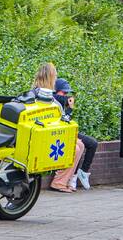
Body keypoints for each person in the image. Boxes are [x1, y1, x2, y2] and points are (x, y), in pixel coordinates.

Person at [27, 62, 85, 194]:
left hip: (48, 131)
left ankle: (64, 180)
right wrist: (69, 110)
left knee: (80, 145)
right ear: (51, 77)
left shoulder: (36, 93)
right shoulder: (47, 97)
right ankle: (59, 182)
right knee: (75, 148)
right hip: (43, 134)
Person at [53, 78, 99, 190]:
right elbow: (65, 120)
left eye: (67, 93)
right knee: (79, 146)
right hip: (60, 132)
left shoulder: (59, 102)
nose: (66, 95)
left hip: (67, 130)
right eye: (63, 92)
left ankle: (80, 173)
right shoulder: (53, 102)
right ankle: (71, 178)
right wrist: (69, 109)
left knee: (90, 143)